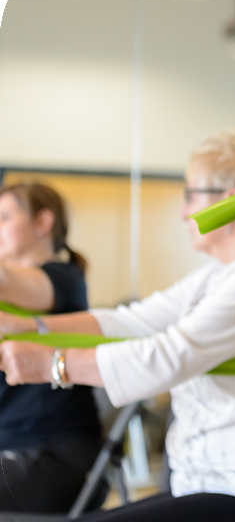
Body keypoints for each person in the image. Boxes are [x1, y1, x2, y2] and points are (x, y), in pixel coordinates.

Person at [0, 132, 235, 521]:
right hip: (221, 484)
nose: (184, 212)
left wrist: (53, 364)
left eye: (190, 195)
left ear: (232, 198)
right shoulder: (222, 276)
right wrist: (27, 325)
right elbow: (132, 320)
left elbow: (168, 356)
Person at [0, 182, 103, 513]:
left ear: (42, 223)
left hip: (57, 456)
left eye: (3, 217)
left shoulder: (63, 279)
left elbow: (8, 282)